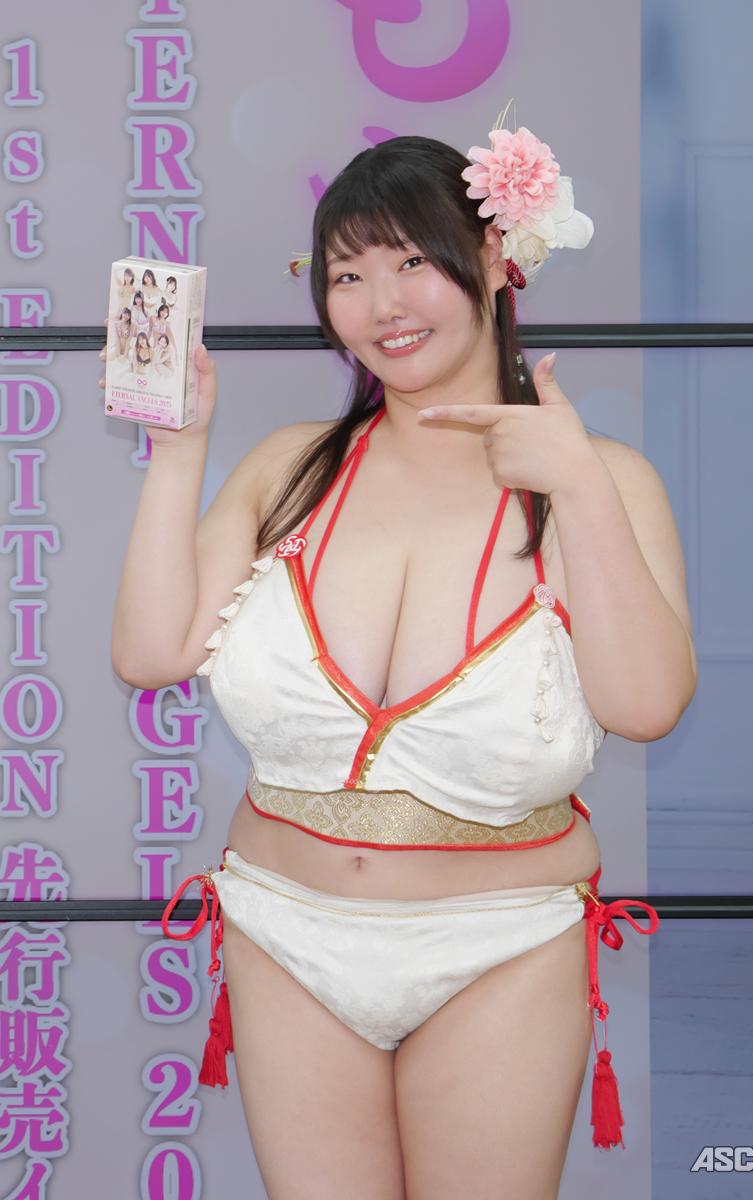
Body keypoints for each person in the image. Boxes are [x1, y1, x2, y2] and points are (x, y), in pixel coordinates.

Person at [104, 117, 696, 1199]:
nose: (381, 304)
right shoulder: (290, 469)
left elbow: (647, 704)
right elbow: (150, 654)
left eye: (412, 261)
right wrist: (179, 450)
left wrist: (576, 485)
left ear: (495, 258)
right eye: (347, 275)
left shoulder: (600, 476)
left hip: (499, 945)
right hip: (284, 933)